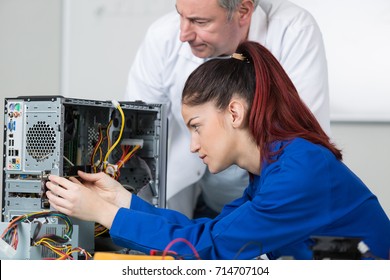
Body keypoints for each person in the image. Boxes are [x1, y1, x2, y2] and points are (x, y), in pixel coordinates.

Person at [46, 41, 390, 260]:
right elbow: (213, 233)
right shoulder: (275, 169)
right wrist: (120, 201)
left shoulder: (299, 172)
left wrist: (104, 215)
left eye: (196, 126)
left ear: (235, 113)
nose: (193, 145)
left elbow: (211, 247)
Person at [125, 0, 331, 218]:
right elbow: (137, 132)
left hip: (272, 200)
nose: (183, 35)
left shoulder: (294, 31)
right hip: (196, 199)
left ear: (243, 11)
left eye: (200, 21)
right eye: (180, 16)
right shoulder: (162, 36)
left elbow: (301, 142)